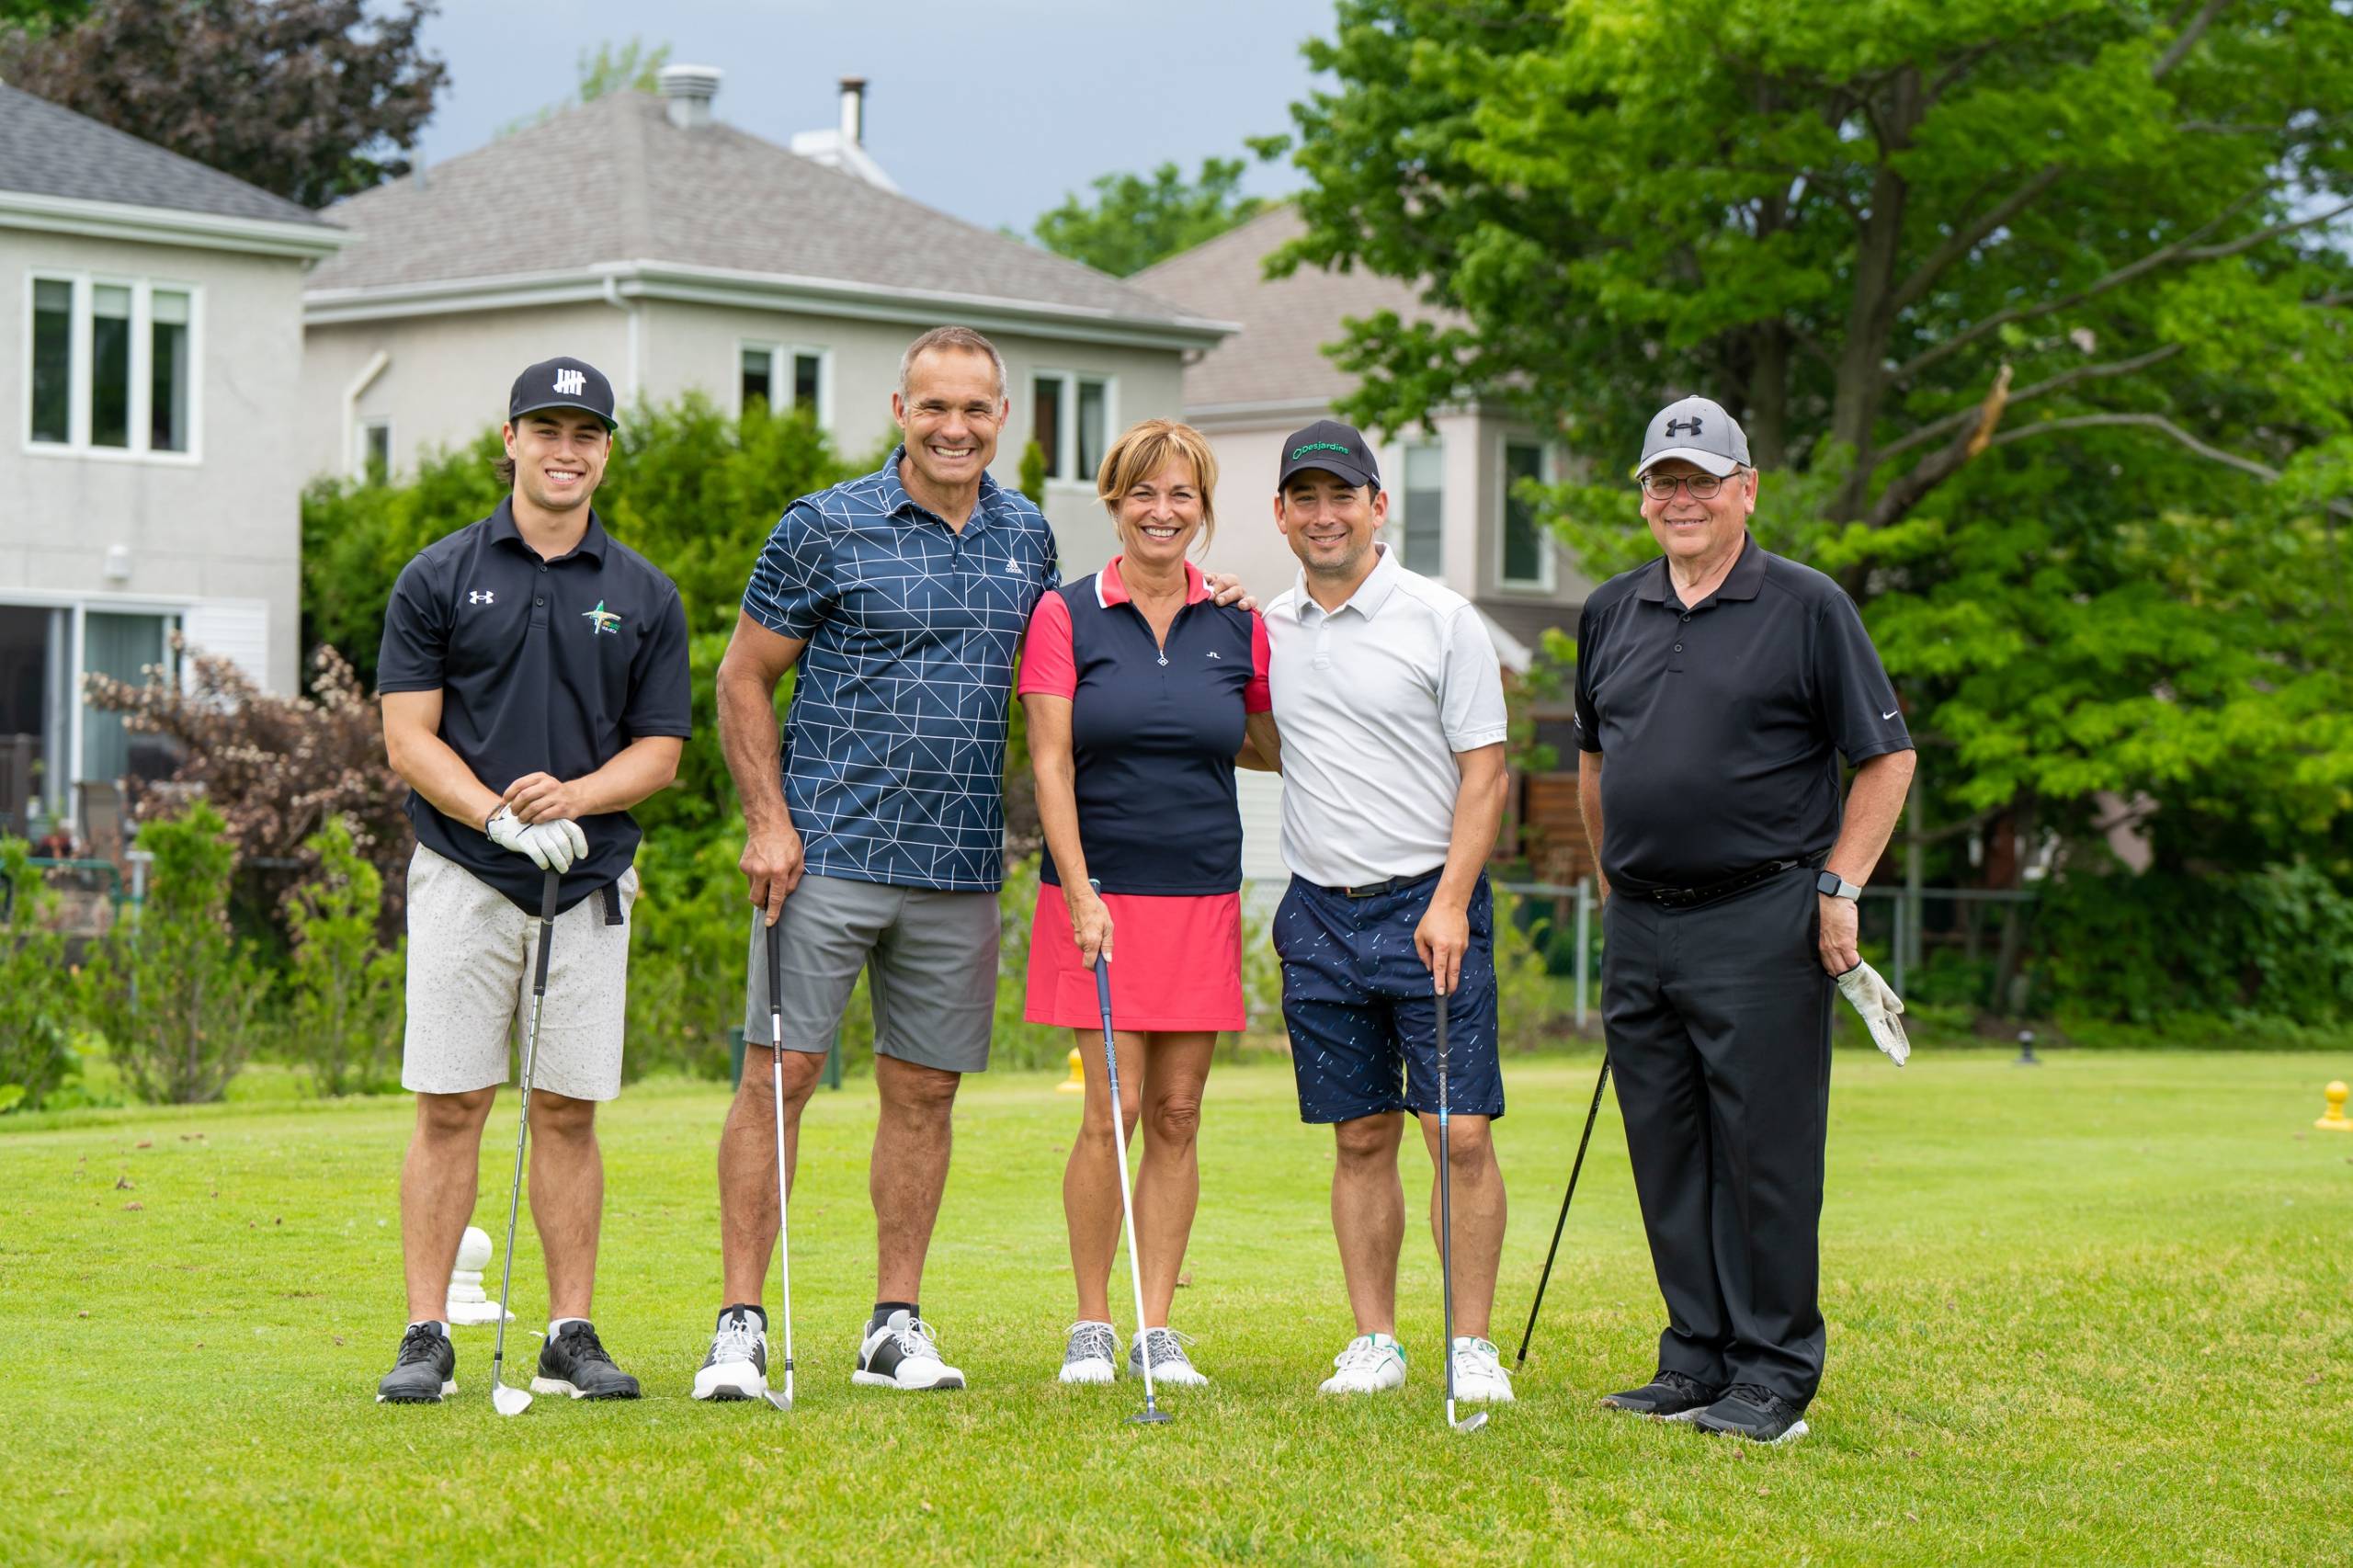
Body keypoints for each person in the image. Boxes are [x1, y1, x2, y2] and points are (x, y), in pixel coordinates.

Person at [697, 329, 1250, 1399]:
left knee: (924, 1094)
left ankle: (892, 1321)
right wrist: (768, 819)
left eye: (976, 410)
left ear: (1005, 418)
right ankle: (740, 1323)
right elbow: (741, 677)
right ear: (900, 406)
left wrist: (1203, 594)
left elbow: (1099, 651)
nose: (955, 427)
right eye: (934, 407)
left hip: (958, 866)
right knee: (780, 1077)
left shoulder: (1026, 537)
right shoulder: (824, 525)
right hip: (825, 852)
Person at [1574, 395, 1916, 1445]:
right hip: (1643, 920)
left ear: (1744, 490)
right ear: (1645, 498)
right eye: (1662, 482)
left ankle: (1773, 1371)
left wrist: (1838, 886)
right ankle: (1697, 1353)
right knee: (1666, 1147)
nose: (1680, 498)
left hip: (1763, 914)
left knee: (1763, 1155)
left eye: (1700, 480)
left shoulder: (1808, 605)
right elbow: (1592, 758)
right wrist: (1607, 885)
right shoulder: (1610, 609)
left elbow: (1886, 755)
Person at [373, 356, 691, 1404]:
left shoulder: (643, 591)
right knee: (452, 1101)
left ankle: (569, 1329)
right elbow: (407, 737)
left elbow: (660, 751)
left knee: (565, 1108)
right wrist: (498, 813)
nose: (566, 449)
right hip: (466, 873)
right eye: (546, 428)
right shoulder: (439, 573)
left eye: (586, 433)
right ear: (509, 438)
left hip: (588, 883)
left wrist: (579, 800)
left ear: (605, 450)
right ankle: (426, 1330)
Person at [1017, 418, 1279, 1389]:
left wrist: (1272, 627)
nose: (1162, 512)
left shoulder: (1236, 622)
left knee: (1177, 1112)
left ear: (1201, 509)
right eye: (1143, 494)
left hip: (1202, 890)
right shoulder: (1065, 613)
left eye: (1182, 496)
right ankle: (1092, 1321)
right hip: (1100, 894)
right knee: (1111, 1110)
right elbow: (1049, 760)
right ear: (1115, 503)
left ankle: (1154, 1326)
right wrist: (1079, 890)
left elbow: (1269, 741)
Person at [1261, 419, 1516, 1404]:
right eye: (1305, 498)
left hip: (1427, 906)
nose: (1325, 515)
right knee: (1359, 1134)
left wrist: (1451, 899)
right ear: (1280, 514)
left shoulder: (1440, 618)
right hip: (1318, 913)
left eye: (1342, 496)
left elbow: (1485, 772)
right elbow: (1251, 733)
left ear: (1378, 505)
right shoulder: (1263, 627)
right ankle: (1376, 1338)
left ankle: (1471, 1344)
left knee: (1456, 1130)